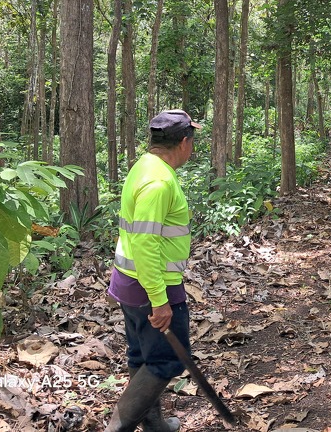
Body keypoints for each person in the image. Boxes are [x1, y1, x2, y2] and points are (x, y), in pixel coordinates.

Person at [105, 110, 201, 432]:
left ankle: (154, 424)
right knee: (167, 360)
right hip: (152, 287)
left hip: (130, 284)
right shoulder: (159, 182)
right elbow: (146, 245)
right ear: (184, 142)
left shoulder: (144, 165)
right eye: (193, 142)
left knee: (142, 357)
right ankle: (117, 428)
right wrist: (160, 301)